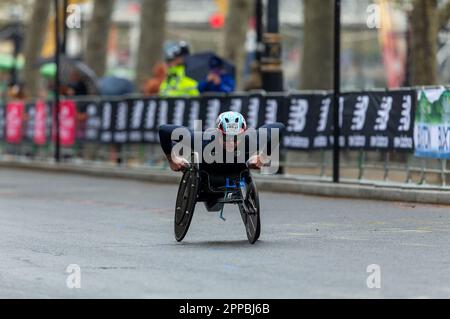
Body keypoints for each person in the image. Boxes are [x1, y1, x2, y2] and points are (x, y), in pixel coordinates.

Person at [158, 111, 284, 172]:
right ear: (218, 133)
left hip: (237, 171)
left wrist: (263, 157)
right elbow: (164, 130)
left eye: (235, 138)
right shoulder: (202, 140)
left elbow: (279, 127)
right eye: (225, 137)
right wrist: (172, 159)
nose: (230, 142)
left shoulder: (251, 139)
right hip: (207, 174)